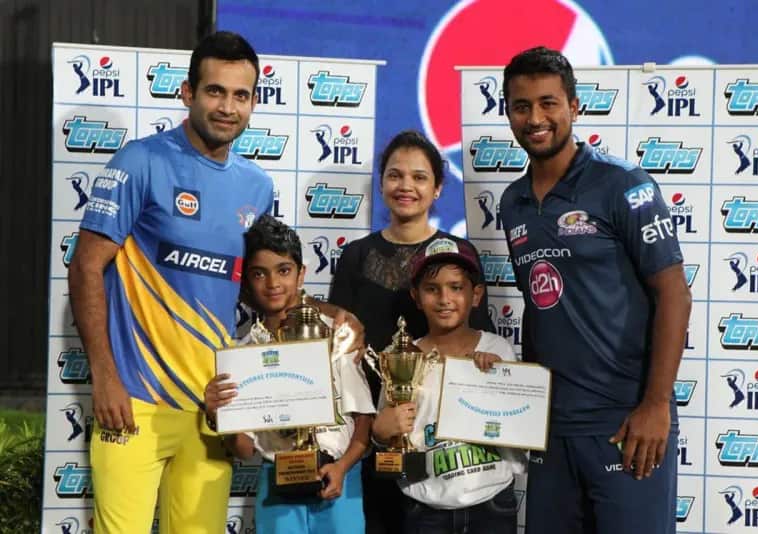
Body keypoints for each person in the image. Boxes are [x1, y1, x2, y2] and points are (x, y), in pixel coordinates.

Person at [68, 30, 272, 533]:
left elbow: (260, 292)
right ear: (187, 93)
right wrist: (105, 377)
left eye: (241, 95)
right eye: (215, 91)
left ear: (253, 103)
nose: (228, 107)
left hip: (210, 411)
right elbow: (86, 266)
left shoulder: (258, 187)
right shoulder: (140, 161)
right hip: (133, 404)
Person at [498, 47, 691, 534]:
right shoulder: (513, 202)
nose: (535, 118)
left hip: (625, 421)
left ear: (574, 107)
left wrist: (656, 405)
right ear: (508, 112)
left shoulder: (623, 184)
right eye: (521, 106)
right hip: (552, 426)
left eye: (548, 103)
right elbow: (541, 306)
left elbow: (674, 294)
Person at [328, 129, 494, 534]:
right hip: (369, 432)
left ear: (437, 188)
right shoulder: (355, 256)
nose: (406, 186)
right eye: (395, 175)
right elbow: (337, 349)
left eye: (419, 177)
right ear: (381, 183)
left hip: (441, 437)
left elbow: (479, 342)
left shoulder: (460, 255)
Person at [204, 214, 375, 534]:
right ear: (246, 282)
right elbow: (244, 450)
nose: (273, 284)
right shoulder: (242, 353)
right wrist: (220, 416)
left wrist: (342, 467)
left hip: (340, 475)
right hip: (276, 481)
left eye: (283, 270)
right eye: (259, 274)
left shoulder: (337, 333)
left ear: (301, 274)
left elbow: (363, 419)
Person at [371, 237, 525, 534]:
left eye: (456, 287)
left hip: (490, 501)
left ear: (476, 295)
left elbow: (519, 425)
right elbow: (386, 431)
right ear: (416, 297)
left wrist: (500, 379)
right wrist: (379, 433)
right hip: (425, 507)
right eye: (432, 289)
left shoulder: (498, 350)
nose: (444, 299)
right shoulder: (401, 357)